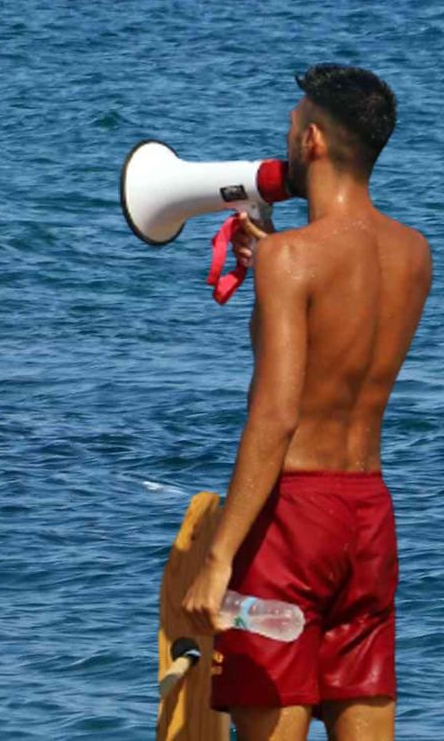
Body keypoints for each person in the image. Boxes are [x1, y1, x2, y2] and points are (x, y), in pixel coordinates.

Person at [181, 65, 432, 740]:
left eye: (291, 130)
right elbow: (338, 351)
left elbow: (277, 412)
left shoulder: (291, 260)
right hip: (368, 516)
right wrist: (268, 268)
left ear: (314, 142)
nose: (285, 145)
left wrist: (219, 556)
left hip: (294, 518)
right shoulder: (415, 254)